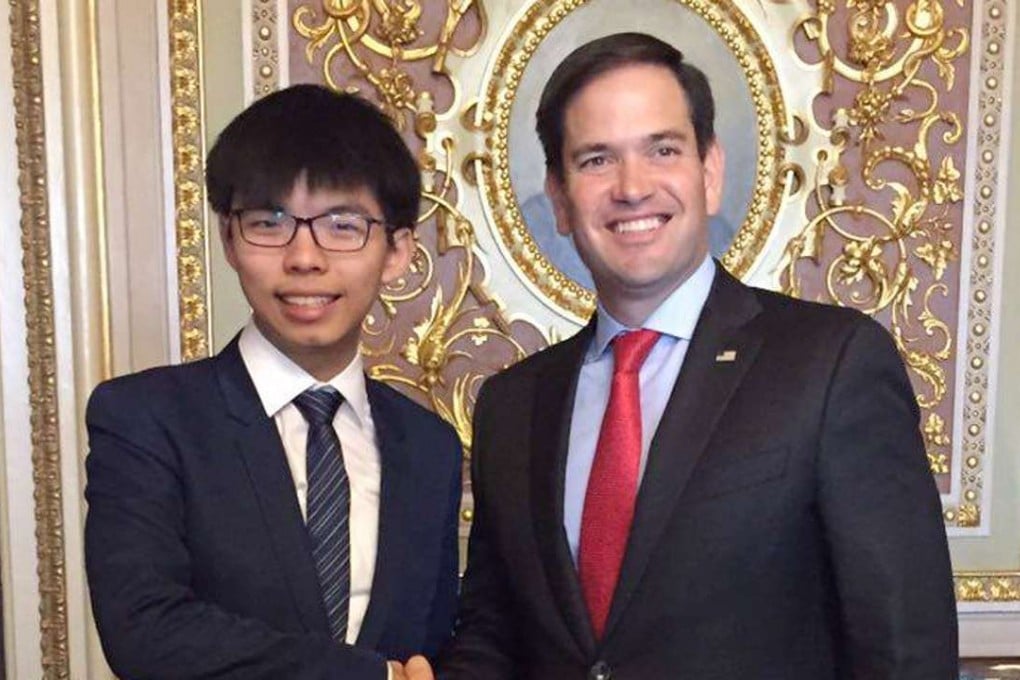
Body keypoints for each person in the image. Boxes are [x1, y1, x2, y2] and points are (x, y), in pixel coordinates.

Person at [436, 33, 958, 679]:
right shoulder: (511, 406)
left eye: (662, 150)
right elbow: (495, 634)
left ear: (709, 172)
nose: (632, 187)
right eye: (596, 159)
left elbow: (904, 645)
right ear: (561, 197)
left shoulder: (830, 364)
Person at [84, 84, 459, 680]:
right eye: (270, 222)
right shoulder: (145, 418)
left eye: (343, 225)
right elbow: (146, 631)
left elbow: (435, 643)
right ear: (229, 239)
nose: (305, 257)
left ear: (397, 251)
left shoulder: (431, 446)